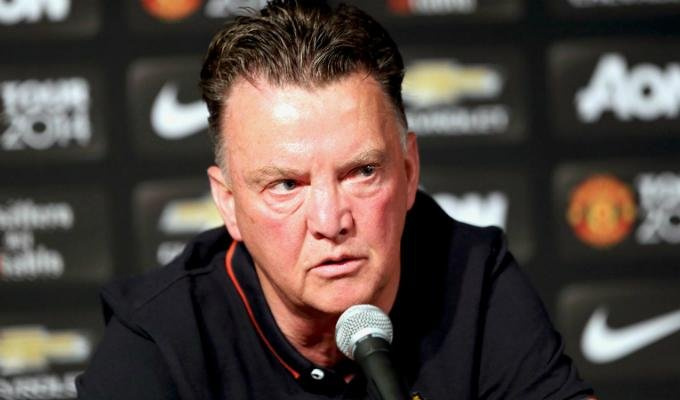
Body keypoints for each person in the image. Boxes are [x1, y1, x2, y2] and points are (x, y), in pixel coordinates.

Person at [77, 1, 595, 399]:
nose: (330, 221)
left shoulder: (472, 279)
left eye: (362, 172)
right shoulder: (162, 339)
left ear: (409, 171)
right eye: (286, 185)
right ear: (228, 203)